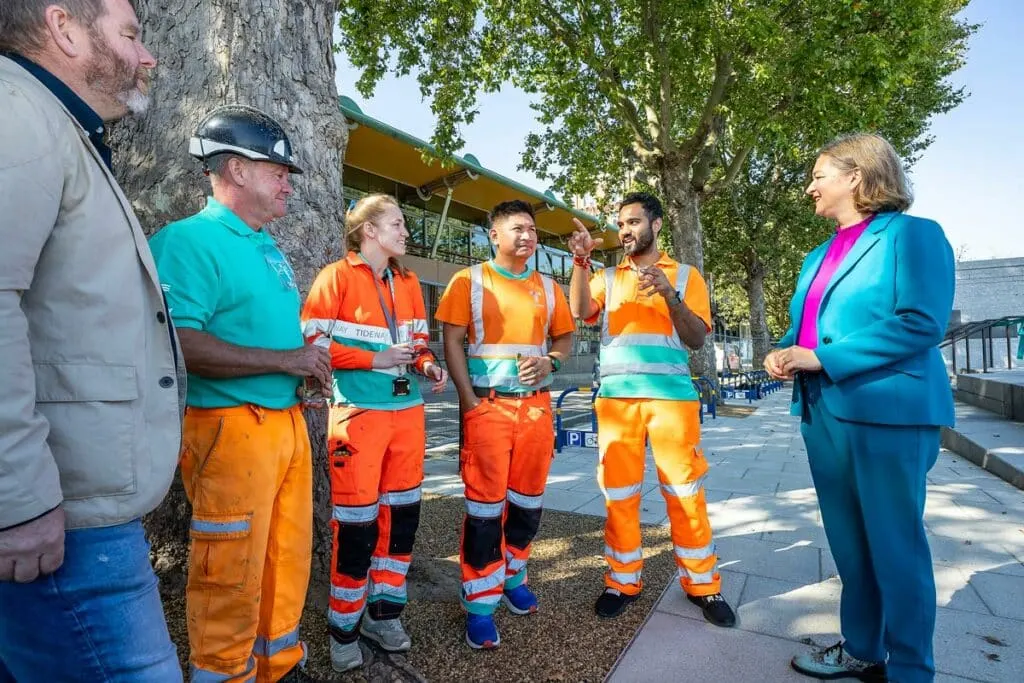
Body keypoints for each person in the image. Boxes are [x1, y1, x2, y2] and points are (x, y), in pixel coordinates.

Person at [0, 1, 185, 680]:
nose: (147, 57)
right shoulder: (17, 113)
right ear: (64, 26)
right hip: (59, 527)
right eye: (131, 34)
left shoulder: (51, 124)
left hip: (74, 516)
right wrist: (17, 500)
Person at [765, 133, 955, 683]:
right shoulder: (817, 255)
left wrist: (821, 357)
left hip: (889, 413)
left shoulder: (914, 236)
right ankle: (864, 649)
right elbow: (809, 326)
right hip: (822, 413)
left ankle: (913, 670)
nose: (810, 188)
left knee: (896, 547)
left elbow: (920, 322)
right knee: (850, 547)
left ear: (856, 176)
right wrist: (784, 350)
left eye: (819, 175)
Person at [150, 105, 328, 683]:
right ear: (236, 169)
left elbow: (258, 331)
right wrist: (288, 360)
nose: (287, 184)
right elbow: (178, 343)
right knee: (229, 563)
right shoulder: (189, 240)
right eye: (277, 171)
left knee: (286, 553)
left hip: (285, 423)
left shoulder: (265, 246)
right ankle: (222, 672)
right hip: (228, 428)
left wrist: (302, 367)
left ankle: (277, 664)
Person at [567, 192, 736, 628]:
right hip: (617, 404)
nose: (625, 230)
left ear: (656, 225)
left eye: (633, 222)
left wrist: (670, 296)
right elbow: (580, 311)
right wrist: (581, 263)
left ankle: (703, 585)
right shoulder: (606, 275)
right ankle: (622, 581)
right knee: (619, 494)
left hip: (672, 402)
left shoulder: (685, 274)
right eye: (620, 224)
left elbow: (697, 339)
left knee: (684, 493)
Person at [300, 194, 448, 673]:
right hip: (357, 416)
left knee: (401, 519)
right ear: (369, 231)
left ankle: (386, 614)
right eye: (398, 224)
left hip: (408, 414)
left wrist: (427, 363)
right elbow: (311, 345)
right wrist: (373, 360)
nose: (406, 232)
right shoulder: (334, 277)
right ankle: (344, 628)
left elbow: (417, 342)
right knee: (358, 526)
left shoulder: (407, 281)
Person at [436, 200, 575, 649]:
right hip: (488, 410)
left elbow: (565, 338)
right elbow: (451, 341)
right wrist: (470, 401)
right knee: (483, 510)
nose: (528, 237)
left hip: (535, 411)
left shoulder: (550, 287)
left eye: (532, 230)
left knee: (527, 505)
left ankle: (513, 576)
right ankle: (478, 602)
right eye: (517, 229)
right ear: (493, 235)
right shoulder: (468, 280)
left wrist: (552, 359)